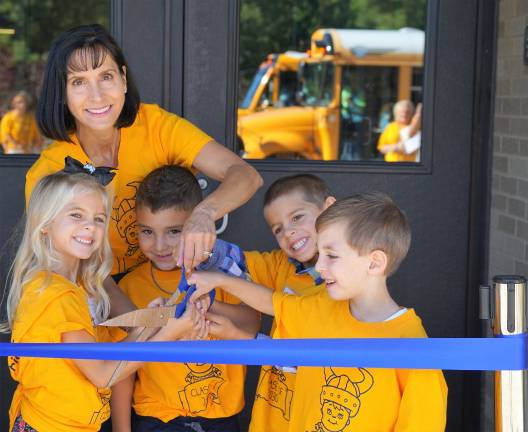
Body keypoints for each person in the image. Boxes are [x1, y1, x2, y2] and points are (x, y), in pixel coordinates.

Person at [24, 24, 262, 316]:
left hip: (166, 279)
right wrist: (145, 329)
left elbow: (245, 175)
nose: (97, 95)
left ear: (123, 79)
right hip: (97, 294)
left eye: (106, 77)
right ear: (62, 93)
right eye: (79, 82)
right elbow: (91, 280)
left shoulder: (155, 125)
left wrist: (204, 214)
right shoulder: (48, 172)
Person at [189, 192, 448, 431]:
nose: (320, 267)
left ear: (375, 262)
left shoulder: (413, 347)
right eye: (320, 253)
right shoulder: (320, 307)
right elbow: (272, 302)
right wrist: (217, 281)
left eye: (331, 256)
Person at [3, 172, 206, 432]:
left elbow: (103, 357)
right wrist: (168, 334)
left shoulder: (72, 287)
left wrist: (148, 326)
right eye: (76, 215)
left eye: (98, 219)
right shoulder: (54, 294)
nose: (90, 226)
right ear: (45, 223)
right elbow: (102, 373)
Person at [112, 165, 260, 432]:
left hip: (221, 419)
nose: (159, 246)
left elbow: (252, 325)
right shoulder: (130, 287)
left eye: (174, 231)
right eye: (147, 231)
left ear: (196, 226)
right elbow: (122, 370)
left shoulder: (222, 273)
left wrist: (210, 304)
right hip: (155, 419)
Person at [243, 174, 335, 432]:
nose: (289, 232)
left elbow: (304, 354)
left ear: (329, 208)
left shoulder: (348, 279)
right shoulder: (281, 265)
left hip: (320, 417)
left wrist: (246, 338)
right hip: (275, 418)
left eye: (297, 217)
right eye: (278, 229)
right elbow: (234, 263)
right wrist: (198, 247)